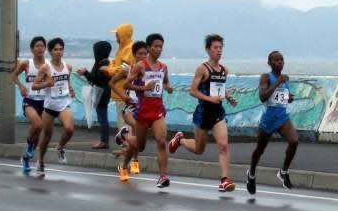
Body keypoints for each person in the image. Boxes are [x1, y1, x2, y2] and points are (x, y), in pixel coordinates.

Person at [168, 34, 238, 192]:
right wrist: (209, 98)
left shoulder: (224, 70)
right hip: (203, 112)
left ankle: (225, 180)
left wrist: (228, 97)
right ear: (208, 50)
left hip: (218, 113)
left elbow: (219, 88)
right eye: (215, 48)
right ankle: (180, 140)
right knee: (199, 149)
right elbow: (192, 91)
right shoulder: (202, 69)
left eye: (221, 48)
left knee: (224, 145)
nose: (219, 51)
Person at [119, 33, 173, 188]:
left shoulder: (163, 67)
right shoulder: (140, 66)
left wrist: (168, 87)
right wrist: (143, 88)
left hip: (157, 111)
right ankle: (124, 145)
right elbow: (126, 85)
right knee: (139, 146)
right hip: (142, 112)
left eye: (161, 46)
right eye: (155, 46)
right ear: (149, 48)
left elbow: (166, 82)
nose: (158, 49)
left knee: (161, 141)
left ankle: (162, 177)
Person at [246, 51, 298, 194]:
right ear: (270, 63)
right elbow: (263, 97)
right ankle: (251, 174)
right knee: (259, 150)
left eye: (282, 60)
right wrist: (277, 82)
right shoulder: (266, 77)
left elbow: (281, 98)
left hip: (282, 117)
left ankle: (283, 172)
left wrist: (289, 98)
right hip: (269, 119)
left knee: (294, 141)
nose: (280, 62)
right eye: (276, 60)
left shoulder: (285, 79)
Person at [33, 38, 75, 174]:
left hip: (64, 103)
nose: (58, 52)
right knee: (46, 136)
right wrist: (46, 84)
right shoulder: (46, 68)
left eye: (61, 49)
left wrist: (71, 89)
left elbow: (67, 81)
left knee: (69, 129)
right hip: (50, 105)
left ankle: (60, 148)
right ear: (50, 51)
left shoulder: (68, 67)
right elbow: (34, 85)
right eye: (56, 49)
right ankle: (40, 160)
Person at [11, 36, 48, 173]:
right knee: (37, 124)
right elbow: (13, 75)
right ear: (32, 49)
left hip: (45, 101)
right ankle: (29, 144)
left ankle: (26, 158)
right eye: (37, 46)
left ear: (45, 48)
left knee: (38, 132)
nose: (40, 48)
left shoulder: (48, 65)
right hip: (30, 100)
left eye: (42, 46)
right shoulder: (26, 63)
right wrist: (21, 86)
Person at [110, 41, 147, 174]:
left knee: (138, 138)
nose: (143, 56)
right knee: (137, 129)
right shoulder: (128, 69)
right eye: (140, 54)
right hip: (130, 108)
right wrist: (122, 96)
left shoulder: (149, 71)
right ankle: (125, 135)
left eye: (145, 53)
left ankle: (132, 161)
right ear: (134, 54)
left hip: (143, 107)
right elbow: (112, 83)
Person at [77, 41, 112, 149]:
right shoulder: (103, 62)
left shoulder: (103, 64)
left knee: (102, 118)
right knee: (102, 117)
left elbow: (97, 79)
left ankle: (104, 141)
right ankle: (104, 140)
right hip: (103, 93)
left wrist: (85, 73)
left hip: (101, 93)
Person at [105, 24, 135, 131]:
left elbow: (124, 68)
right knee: (122, 120)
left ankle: (127, 145)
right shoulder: (121, 49)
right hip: (119, 92)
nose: (116, 37)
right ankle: (126, 145)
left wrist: (109, 70)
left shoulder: (129, 49)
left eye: (117, 34)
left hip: (124, 91)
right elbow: (114, 64)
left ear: (123, 35)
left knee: (124, 123)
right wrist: (112, 68)